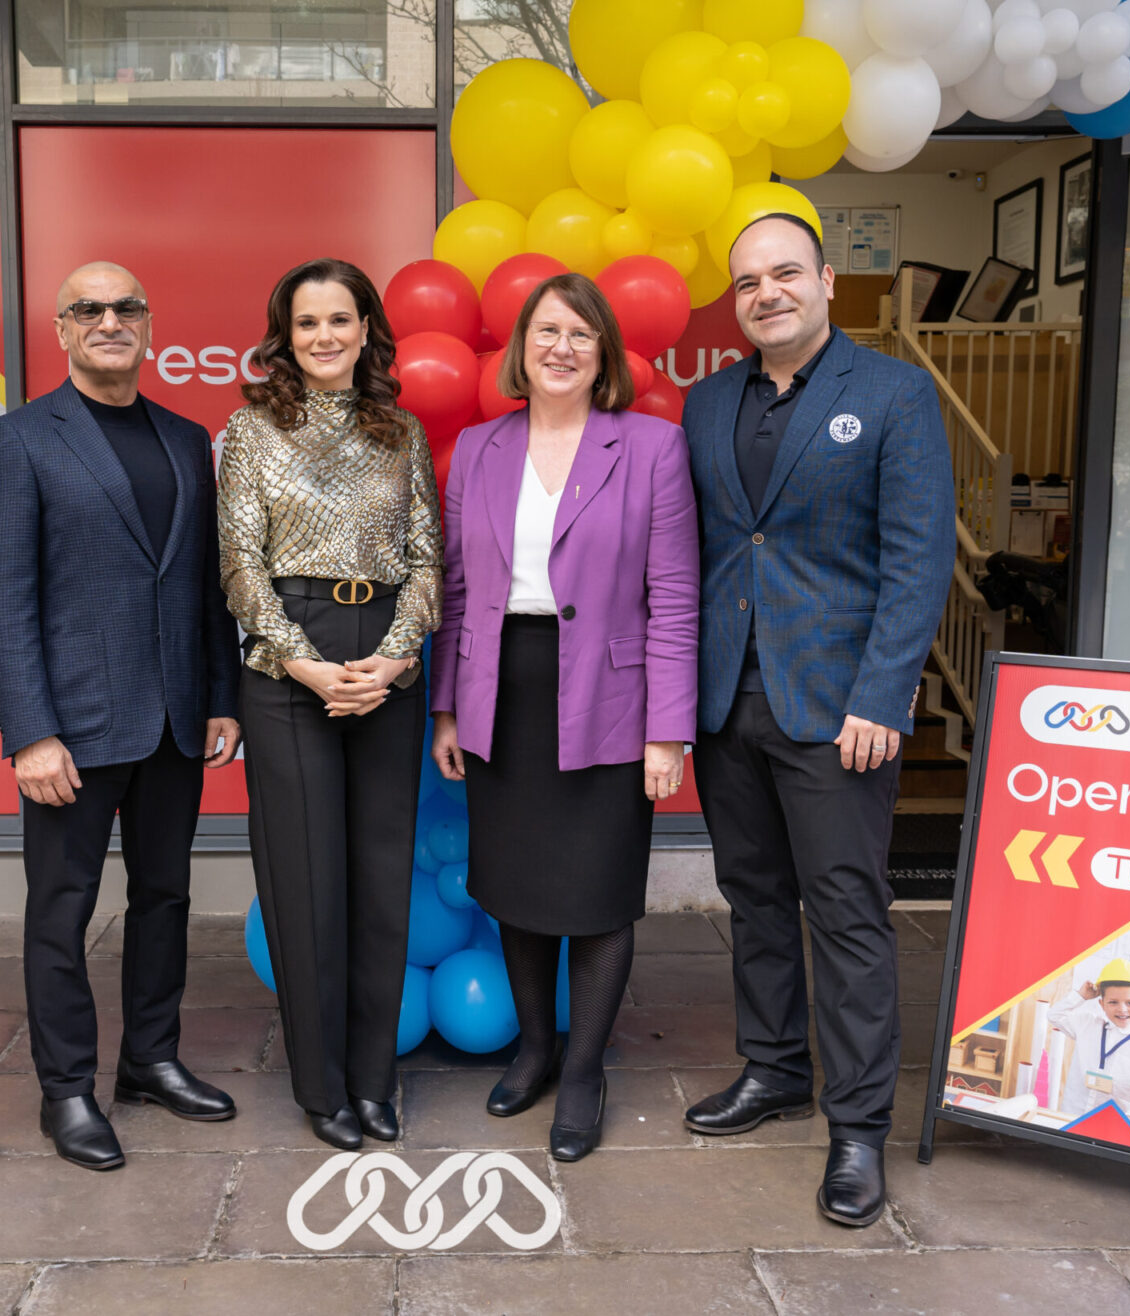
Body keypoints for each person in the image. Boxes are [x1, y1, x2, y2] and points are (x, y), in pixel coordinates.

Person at [678, 212, 952, 1228]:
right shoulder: (706, 402)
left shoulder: (891, 392)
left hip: (838, 707)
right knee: (751, 895)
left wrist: (884, 691)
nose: (765, 293)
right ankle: (774, 1068)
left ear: (826, 281)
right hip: (726, 698)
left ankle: (856, 1125)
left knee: (843, 909)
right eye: (747, 281)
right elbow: (703, 550)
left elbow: (916, 556)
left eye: (783, 273)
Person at [0, 262, 243, 1172]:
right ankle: (67, 1091)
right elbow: (2, 600)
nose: (110, 320)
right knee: (62, 910)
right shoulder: (18, 441)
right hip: (71, 735)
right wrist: (28, 733)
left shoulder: (185, 437)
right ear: (62, 329)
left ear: (150, 322)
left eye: (127, 306)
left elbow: (202, 585)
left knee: (165, 898)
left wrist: (219, 698)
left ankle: (151, 1061)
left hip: (171, 722)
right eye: (90, 309)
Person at [430, 274, 697, 1161]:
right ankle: (536, 1047)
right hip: (500, 692)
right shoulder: (477, 449)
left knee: (599, 891)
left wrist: (669, 730)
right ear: (521, 347)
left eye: (582, 334)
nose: (562, 347)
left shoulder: (653, 448)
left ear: (605, 354)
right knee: (513, 886)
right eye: (547, 330)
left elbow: (675, 598)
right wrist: (446, 711)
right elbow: (460, 597)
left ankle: (584, 1069)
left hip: (612, 700)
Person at [219, 257, 443, 1150]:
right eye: (306, 322)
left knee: (382, 882)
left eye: (339, 320)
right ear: (285, 334)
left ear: (365, 331)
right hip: (289, 668)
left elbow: (429, 557)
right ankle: (322, 1086)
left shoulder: (402, 434)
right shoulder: (249, 433)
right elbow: (238, 564)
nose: (323, 337)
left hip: (385, 656)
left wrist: (393, 659)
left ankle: (373, 1077)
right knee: (307, 885)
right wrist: (308, 667)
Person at [1047, 959, 1130, 1125]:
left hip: (1112, 1129)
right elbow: (1054, 1015)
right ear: (1102, 1004)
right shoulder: (1088, 1025)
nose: (1122, 1009)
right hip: (1071, 1118)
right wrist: (1080, 997)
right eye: (1113, 1002)